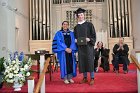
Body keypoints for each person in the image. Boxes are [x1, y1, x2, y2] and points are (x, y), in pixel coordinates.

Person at [74, 8, 96, 85]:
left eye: (82, 15)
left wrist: (89, 39)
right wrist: (75, 40)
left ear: (84, 15)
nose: (81, 16)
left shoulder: (89, 25)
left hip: (89, 47)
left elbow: (93, 35)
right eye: (79, 15)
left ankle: (92, 78)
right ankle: (85, 78)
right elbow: (75, 37)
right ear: (77, 17)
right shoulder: (76, 27)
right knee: (82, 62)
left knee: (90, 61)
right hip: (81, 48)